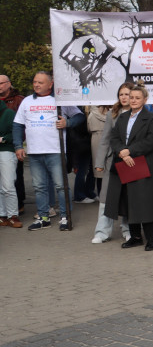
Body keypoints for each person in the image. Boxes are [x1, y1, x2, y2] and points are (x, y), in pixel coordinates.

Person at [12, 72, 83, 231]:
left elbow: (79, 116)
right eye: (35, 82)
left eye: (40, 82)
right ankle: (44, 217)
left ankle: (65, 217)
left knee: (61, 186)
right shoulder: (27, 101)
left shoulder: (60, 100)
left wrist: (68, 122)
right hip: (35, 152)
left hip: (55, 151)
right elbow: (18, 125)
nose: (36, 85)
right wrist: (18, 146)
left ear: (50, 84)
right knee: (39, 187)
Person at [103, 83, 153, 250]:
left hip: (143, 165)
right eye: (131, 97)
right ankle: (136, 237)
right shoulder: (122, 117)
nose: (133, 100)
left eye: (137, 98)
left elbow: (152, 140)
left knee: (145, 202)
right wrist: (122, 151)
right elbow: (114, 138)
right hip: (125, 163)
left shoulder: (151, 119)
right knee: (129, 201)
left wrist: (130, 151)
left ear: (145, 99)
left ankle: (152, 239)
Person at [91, 83, 133, 244]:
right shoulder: (112, 114)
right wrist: (99, 162)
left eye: (127, 94)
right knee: (106, 197)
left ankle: (128, 230)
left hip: (131, 162)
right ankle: (102, 232)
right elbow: (105, 139)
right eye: (121, 94)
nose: (124, 97)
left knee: (128, 197)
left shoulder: (138, 114)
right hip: (112, 162)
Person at [0, 74, 25, 213]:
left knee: (16, 177)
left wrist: (18, 141)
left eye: (1, 83)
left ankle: (18, 205)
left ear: (9, 84)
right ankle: (3, 211)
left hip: (13, 145)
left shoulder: (18, 100)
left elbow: (23, 124)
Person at [0, 96, 17, 227]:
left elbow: (16, 133)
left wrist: (2, 139)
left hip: (6, 151)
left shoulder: (8, 113)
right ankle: (2, 216)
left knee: (8, 186)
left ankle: (13, 215)